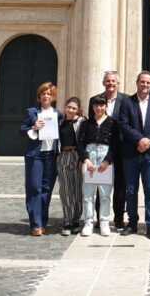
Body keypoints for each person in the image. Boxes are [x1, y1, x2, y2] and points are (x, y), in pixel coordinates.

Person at [116, 71, 150, 239]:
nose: (145, 85)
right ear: (137, 83)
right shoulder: (126, 102)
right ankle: (132, 223)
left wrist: (148, 140)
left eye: (148, 83)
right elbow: (123, 124)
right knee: (131, 190)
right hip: (131, 152)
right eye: (142, 82)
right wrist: (139, 140)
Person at [20, 82, 64, 236]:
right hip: (36, 155)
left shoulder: (58, 114)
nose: (46, 96)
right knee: (34, 188)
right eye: (43, 93)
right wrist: (33, 128)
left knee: (47, 189)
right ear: (39, 97)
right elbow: (22, 130)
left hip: (51, 155)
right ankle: (35, 224)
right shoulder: (32, 112)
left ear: (53, 97)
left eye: (49, 93)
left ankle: (42, 221)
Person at [88, 70, 127, 230]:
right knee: (99, 184)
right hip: (99, 150)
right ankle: (99, 219)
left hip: (120, 149)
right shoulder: (95, 100)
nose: (111, 84)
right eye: (108, 81)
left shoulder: (126, 100)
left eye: (113, 81)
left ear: (118, 83)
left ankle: (118, 218)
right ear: (104, 82)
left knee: (119, 186)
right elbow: (91, 122)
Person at [78, 95, 119, 237]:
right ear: (92, 107)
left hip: (104, 158)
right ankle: (88, 222)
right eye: (96, 105)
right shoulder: (86, 124)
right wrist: (86, 159)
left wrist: (107, 160)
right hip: (90, 158)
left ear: (106, 106)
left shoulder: (113, 123)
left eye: (102, 105)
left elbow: (115, 145)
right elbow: (80, 143)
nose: (99, 108)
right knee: (88, 194)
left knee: (105, 194)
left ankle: (104, 222)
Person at [56, 96, 85, 236]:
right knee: (66, 190)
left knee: (77, 189)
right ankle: (67, 220)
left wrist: (83, 158)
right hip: (63, 156)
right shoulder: (59, 122)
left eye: (74, 108)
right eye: (69, 107)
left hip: (77, 156)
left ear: (78, 110)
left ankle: (76, 220)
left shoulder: (81, 122)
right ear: (65, 108)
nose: (71, 110)